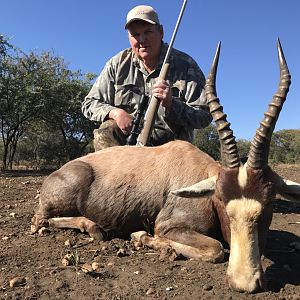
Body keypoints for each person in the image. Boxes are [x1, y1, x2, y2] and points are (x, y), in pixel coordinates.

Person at [82, 5, 212, 151]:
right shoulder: (116, 64)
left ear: (161, 32)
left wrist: (171, 105)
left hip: (170, 150)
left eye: (148, 32)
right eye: (135, 34)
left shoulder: (186, 65)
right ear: (129, 37)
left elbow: (205, 116)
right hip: (127, 147)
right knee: (106, 131)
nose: (142, 39)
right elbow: (89, 104)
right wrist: (115, 113)